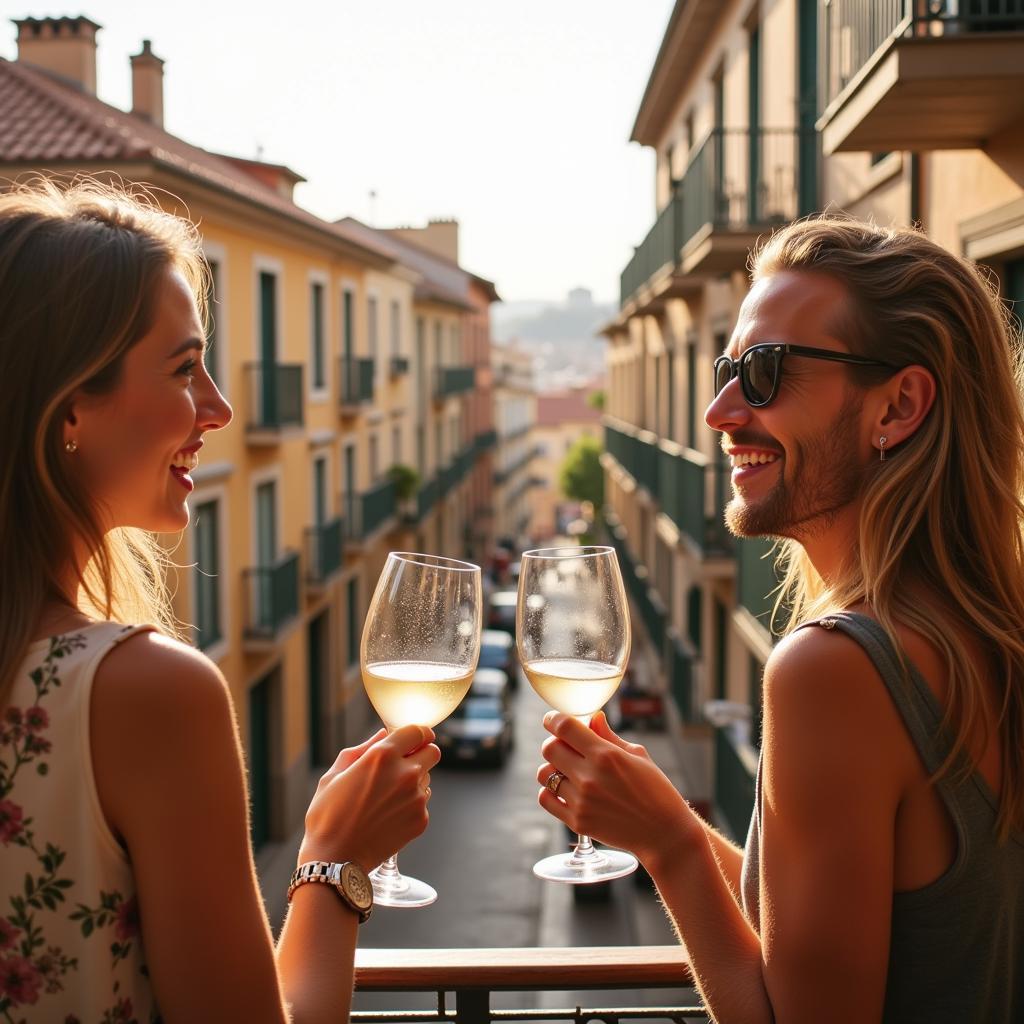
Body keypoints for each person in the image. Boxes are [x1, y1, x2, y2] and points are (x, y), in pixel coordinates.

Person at [537, 215, 1024, 1022]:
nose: (720, 411)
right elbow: (828, 940)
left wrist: (673, 845)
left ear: (899, 405)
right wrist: (659, 814)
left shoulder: (838, 669)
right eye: (729, 368)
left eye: (764, 372)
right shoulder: (979, 634)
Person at [0, 178, 440, 1023]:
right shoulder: (142, 693)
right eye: (181, 368)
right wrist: (334, 860)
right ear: (68, 409)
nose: (220, 407)